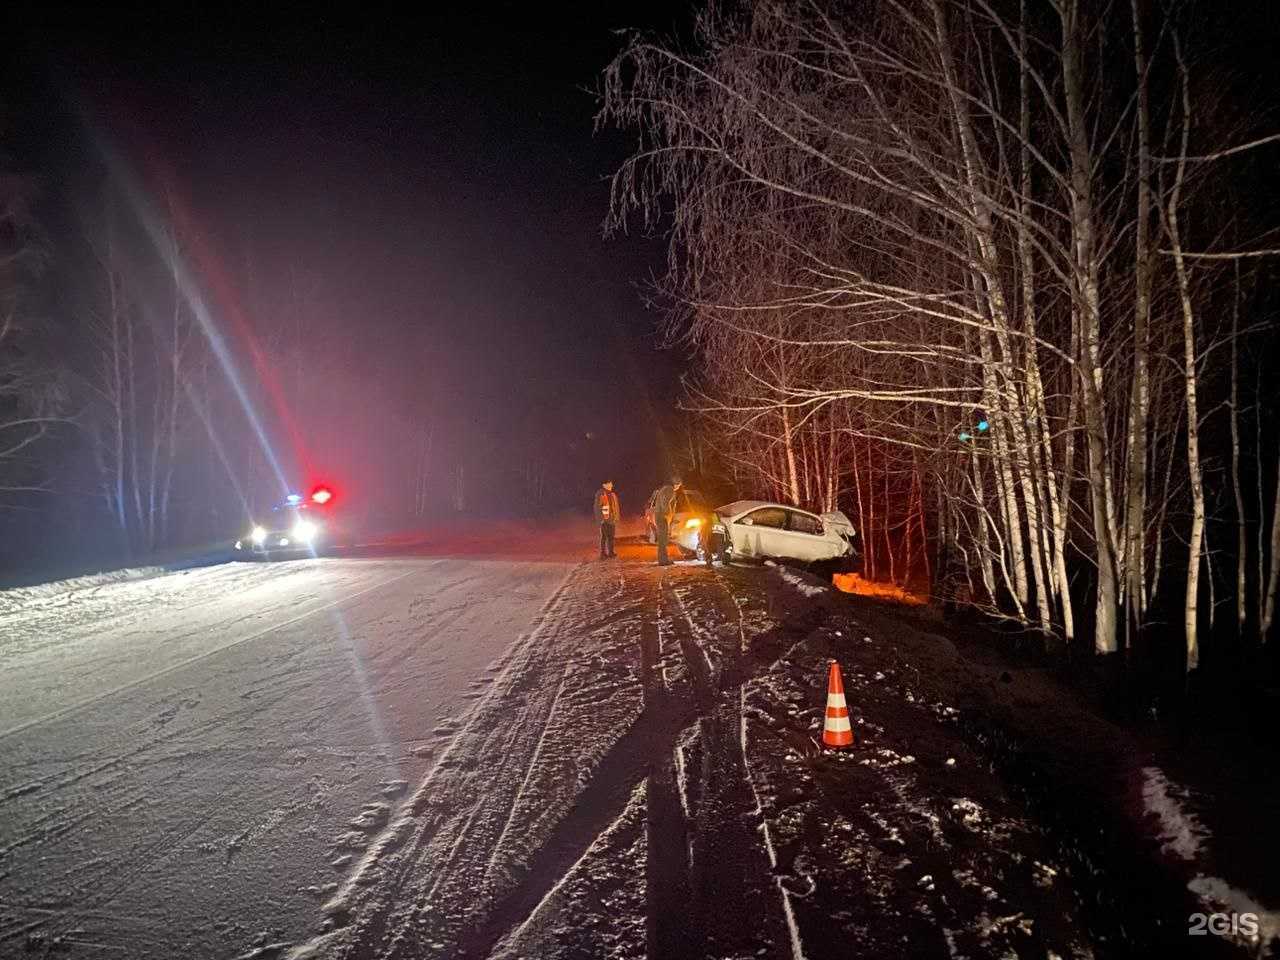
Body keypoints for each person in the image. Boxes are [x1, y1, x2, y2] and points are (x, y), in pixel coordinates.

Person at [651, 476, 683, 566]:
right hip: (662, 516)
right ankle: (663, 561)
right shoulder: (670, 490)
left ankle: (664, 559)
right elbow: (665, 502)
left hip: (660, 515)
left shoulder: (666, 489)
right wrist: (667, 514)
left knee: (663, 539)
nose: (678, 488)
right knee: (663, 539)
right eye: (679, 485)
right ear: (676, 484)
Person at [594, 480, 621, 559]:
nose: (611, 486)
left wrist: (617, 517)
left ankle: (611, 552)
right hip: (604, 520)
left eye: (611, 484)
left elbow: (616, 508)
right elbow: (597, 508)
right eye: (610, 484)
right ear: (604, 485)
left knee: (611, 537)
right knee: (604, 537)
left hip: (612, 520)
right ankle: (603, 553)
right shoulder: (601, 494)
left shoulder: (613, 495)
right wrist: (600, 519)